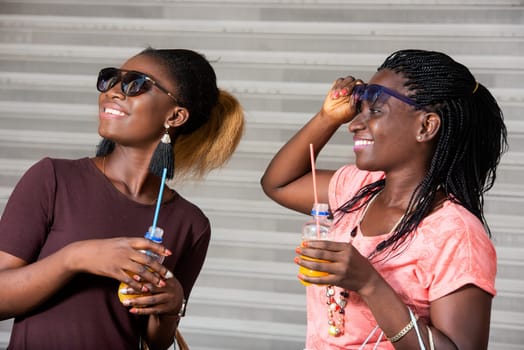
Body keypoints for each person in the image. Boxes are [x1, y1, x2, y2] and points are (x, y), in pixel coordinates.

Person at [261, 49, 507, 349]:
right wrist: (326, 118)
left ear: (426, 126)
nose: (353, 124)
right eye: (360, 110)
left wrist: (370, 284)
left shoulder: (457, 234)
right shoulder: (359, 190)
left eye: (375, 111)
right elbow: (279, 183)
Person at [0, 48, 245, 349]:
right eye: (110, 80)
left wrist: (171, 307)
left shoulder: (190, 224)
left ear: (175, 115)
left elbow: (156, 340)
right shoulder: (52, 179)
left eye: (136, 84)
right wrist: (74, 258)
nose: (113, 92)